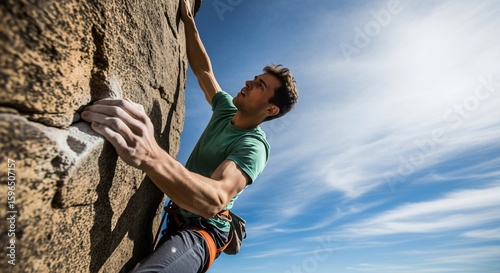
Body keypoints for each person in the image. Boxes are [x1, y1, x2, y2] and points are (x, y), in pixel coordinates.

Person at [81, 0, 298, 272]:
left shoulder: (252, 146)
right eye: (254, 78)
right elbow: (204, 70)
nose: (248, 83)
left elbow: (216, 199)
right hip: (177, 219)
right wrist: (189, 22)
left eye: (259, 85)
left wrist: (150, 155)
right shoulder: (225, 109)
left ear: (270, 108)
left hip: (203, 232)